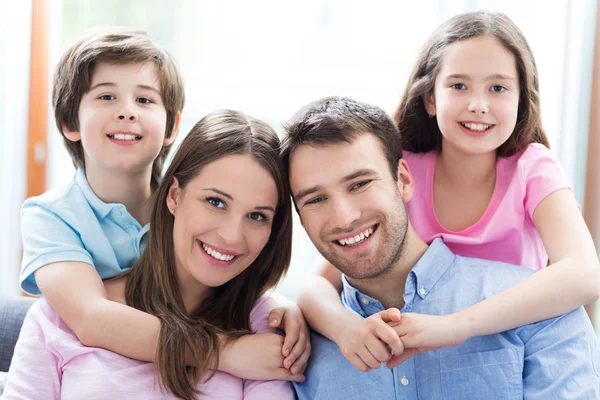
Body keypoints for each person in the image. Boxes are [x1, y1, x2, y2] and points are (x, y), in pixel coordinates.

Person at [295, 11, 600, 371]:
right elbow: (315, 287)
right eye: (458, 85)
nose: (478, 104)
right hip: (408, 355)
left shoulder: (533, 169)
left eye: (498, 88)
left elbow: (584, 274)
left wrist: (457, 325)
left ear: (521, 100)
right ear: (430, 99)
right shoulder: (404, 170)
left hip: (503, 353)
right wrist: (347, 329)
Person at [18, 28, 309, 381]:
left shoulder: (191, 207)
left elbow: (224, 275)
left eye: (144, 100)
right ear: (69, 122)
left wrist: (279, 307)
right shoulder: (49, 217)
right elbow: (91, 318)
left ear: (171, 126)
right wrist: (224, 351)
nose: (127, 112)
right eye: (106, 96)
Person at [283, 96, 600, 399]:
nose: (345, 217)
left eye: (360, 183)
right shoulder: (294, 349)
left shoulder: (544, 312)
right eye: (316, 199)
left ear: (403, 181)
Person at [2, 110, 297, 399]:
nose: (232, 236)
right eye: (215, 202)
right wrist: (223, 351)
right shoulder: (63, 311)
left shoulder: (268, 326)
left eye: (257, 216)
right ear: (174, 195)